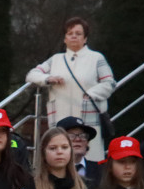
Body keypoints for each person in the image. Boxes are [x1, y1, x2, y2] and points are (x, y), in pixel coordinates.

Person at [27, 16, 117, 161]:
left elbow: (110, 83)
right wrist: (47, 79)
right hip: (60, 118)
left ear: (85, 38)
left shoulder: (96, 58)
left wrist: (92, 93)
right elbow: (32, 75)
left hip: (88, 120)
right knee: (60, 156)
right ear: (65, 39)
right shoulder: (56, 59)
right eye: (70, 33)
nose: (74, 36)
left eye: (78, 33)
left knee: (90, 159)